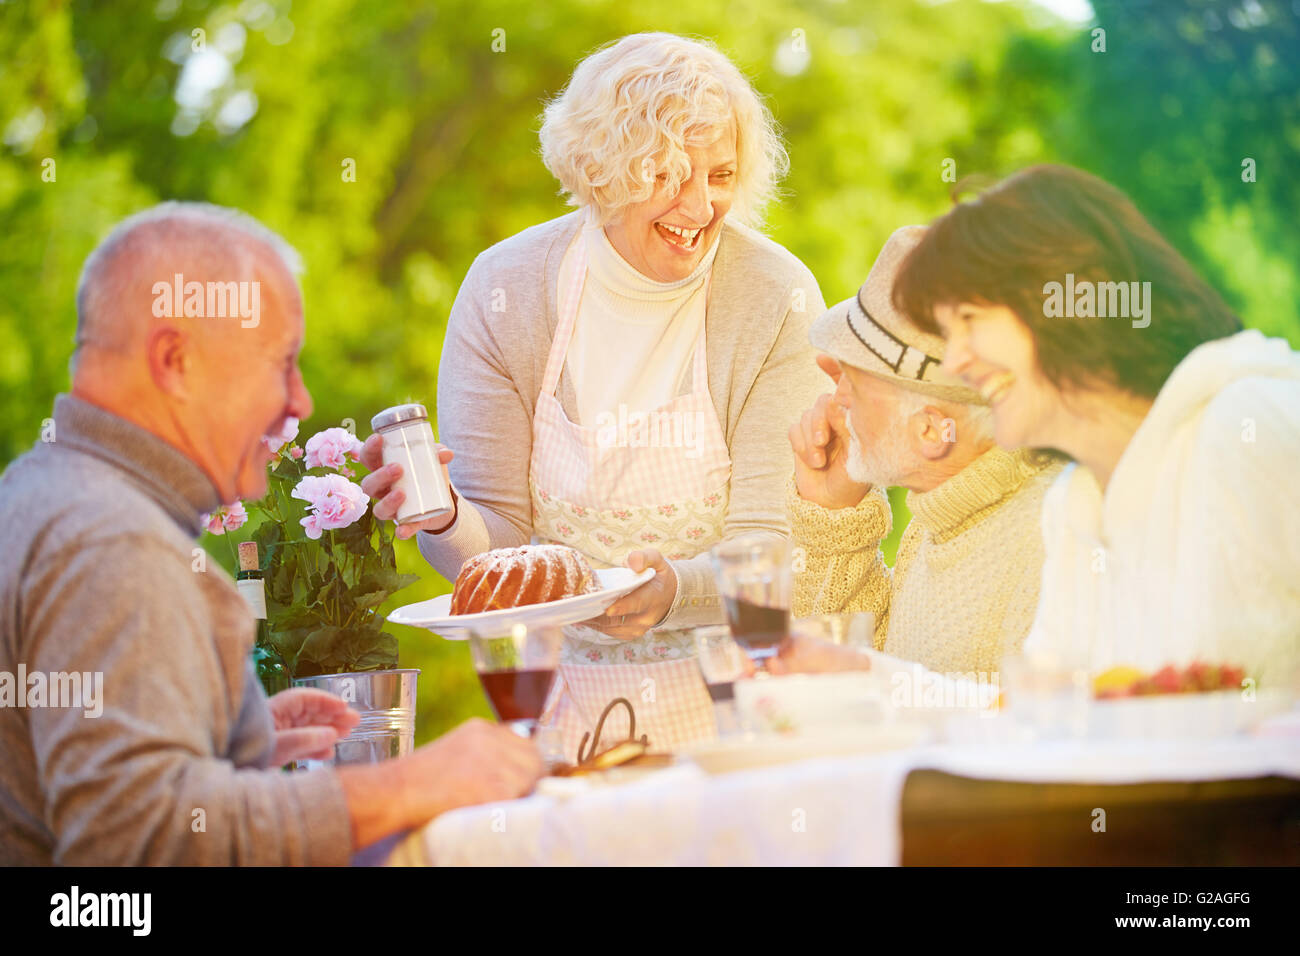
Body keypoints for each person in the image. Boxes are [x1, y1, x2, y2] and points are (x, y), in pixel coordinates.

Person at [0, 203, 542, 866]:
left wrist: (225, 745)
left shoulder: (37, 492)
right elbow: (140, 841)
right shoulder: (115, 541)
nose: (300, 402)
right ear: (174, 360)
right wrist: (405, 784)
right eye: (280, 363)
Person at [361, 33, 825, 756]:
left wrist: (675, 592)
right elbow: (502, 558)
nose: (701, 207)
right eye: (670, 176)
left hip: (745, 714)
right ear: (603, 169)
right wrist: (446, 515)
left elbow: (771, 545)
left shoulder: (773, 296)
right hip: (568, 714)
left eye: (722, 175)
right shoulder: (504, 290)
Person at [891, 164, 1300, 684]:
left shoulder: (1253, 426)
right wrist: (862, 675)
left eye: (970, 320)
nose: (954, 361)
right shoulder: (1075, 504)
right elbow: (1041, 725)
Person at [776, 226, 1064, 683]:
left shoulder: (1052, 542)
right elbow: (848, 690)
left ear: (931, 430)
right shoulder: (934, 520)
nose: (837, 395)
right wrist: (834, 515)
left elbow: (1027, 736)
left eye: (856, 377)